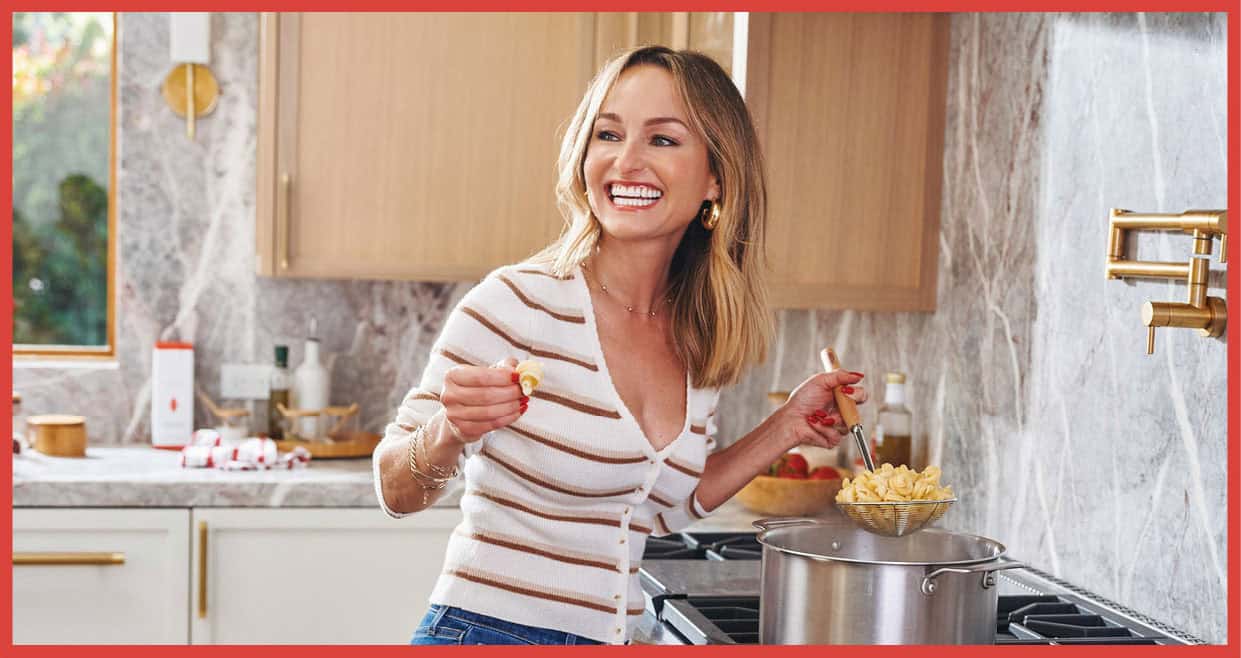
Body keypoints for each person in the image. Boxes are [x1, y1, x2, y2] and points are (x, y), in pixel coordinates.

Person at [372, 45, 868, 646]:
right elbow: (395, 491)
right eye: (608, 134)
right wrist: (448, 430)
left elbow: (663, 509)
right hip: (488, 631)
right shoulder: (516, 303)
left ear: (716, 175)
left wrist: (786, 426)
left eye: (662, 140)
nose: (625, 162)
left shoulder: (697, 331)